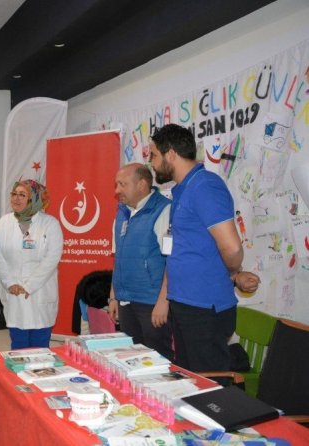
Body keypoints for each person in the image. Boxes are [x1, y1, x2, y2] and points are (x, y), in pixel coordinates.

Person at [148, 124, 260, 374]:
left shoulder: (204, 186)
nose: (151, 163)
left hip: (204, 307)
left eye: (153, 155)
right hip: (184, 303)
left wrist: (233, 274)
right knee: (191, 382)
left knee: (211, 386)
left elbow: (232, 248)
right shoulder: (183, 189)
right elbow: (179, 251)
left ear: (171, 154)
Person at [108, 163, 173, 360]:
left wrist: (163, 302)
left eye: (122, 184)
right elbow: (118, 258)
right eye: (116, 184)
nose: (117, 190)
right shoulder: (121, 213)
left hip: (152, 302)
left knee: (157, 360)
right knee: (133, 359)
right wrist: (113, 296)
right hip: (126, 300)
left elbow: (172, 261)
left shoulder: (164, 210)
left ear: (142, 185)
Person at [0, 179, 63, 349]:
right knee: (18, 345)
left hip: (40, 293)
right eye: (14, 194)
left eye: (22, 195)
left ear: (35, 199)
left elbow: (52, 258)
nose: (16, 198)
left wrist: (29, 285)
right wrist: (10, 283)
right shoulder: (4, 223)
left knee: (40, 346)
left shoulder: (50, 224)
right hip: (13, 293)